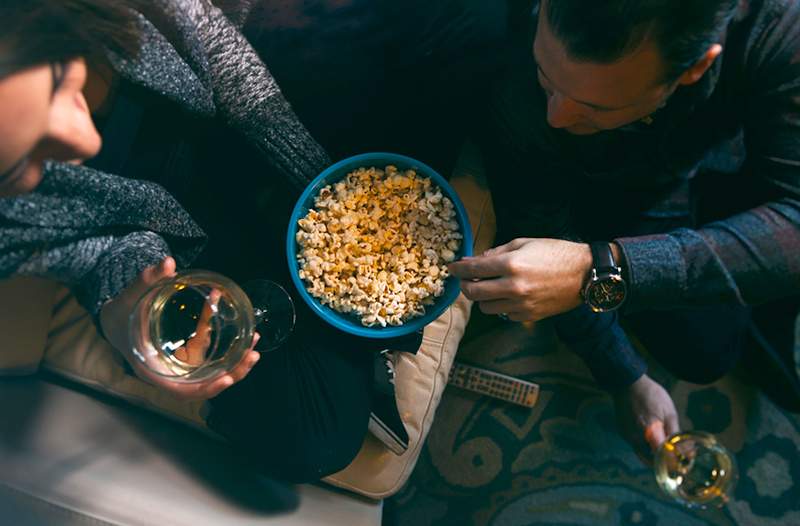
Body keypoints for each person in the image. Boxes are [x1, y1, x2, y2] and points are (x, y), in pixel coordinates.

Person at [0, 0, 382, 482]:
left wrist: (327, 196)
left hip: (230, 128)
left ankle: (361, 317)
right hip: (173, 233)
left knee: (447, 25)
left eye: (61, 81)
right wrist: (125, 319)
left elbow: (223, 59)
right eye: (19, 167)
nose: (85, 142)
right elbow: (90, 252)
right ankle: (368, 324)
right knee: (314, 438)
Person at [448, 0, 800, 459]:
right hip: (608, 186)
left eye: (594, 106)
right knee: (707, 355)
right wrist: (622, 373)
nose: (557, 115)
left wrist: (605, 269)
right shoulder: (516, 78)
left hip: (717, 155)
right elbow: (544, 230)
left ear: (695, 67)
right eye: (546, 75)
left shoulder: (778, 26)